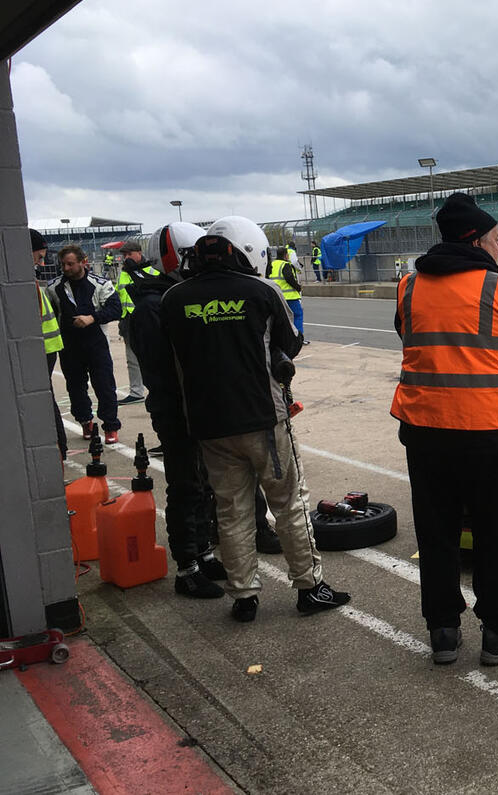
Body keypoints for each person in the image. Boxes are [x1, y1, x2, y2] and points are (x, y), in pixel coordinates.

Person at [161, 216, 350, 622]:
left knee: (231, 511)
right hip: (263, 419)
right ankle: (310, 587)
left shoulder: (174, 298)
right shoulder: (261, 290)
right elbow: (291, 344)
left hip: (208, 426)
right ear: (249, 251)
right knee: (289, 504)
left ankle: (244, 596)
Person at [390, 192, 498, 666]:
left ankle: (443, 631)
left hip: (424, 429)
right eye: (497, 239)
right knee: (497, 534)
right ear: (477, 241)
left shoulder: (409, 287)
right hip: (489, 431)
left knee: (436, 532)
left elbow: (408, 335)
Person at [127, 222, 228, 598]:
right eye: (190, 256)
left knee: (204, 482)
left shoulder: (177, 297)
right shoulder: (152, 306)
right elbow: (162, 368)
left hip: (195, 404)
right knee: (185, 485)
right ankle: (187, 567)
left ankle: (204, 552)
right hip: (175, 408)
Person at [47, 245, 122, 444]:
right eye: (63, 264)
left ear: (83, 262)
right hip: (69, 346)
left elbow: (116, 309)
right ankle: (85, 421)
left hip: (96, 343)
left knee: (104, 385)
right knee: (75, 387)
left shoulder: (100, 283)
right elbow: (50, 314)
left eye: (70, 264)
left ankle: (111, 426)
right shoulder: (53, 287)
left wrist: (93, 318)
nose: (66, 268)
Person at [32, 229, 68, 461]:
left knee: (44, 398)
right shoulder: (29, 280)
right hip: (47, 346)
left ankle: (59, 449)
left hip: (44, 348)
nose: (42, 263)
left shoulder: (27, 283)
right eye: (39, 257)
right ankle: (59, 448)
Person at [116, 240, 159, 404]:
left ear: (139, 253)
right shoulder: (123, 273)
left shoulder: (152, 270)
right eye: (124, 255)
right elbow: (119, 294)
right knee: (132, 358)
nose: (126, 257)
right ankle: (136, 392)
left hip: (147, 318)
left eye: (129, 254)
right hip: (128, 319)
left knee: (155, 354)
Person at [267, 247, 306, 344]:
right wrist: (298, 287)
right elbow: (289, 278)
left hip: (276, 296)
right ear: (285, 255)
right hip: (289, 296)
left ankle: (282, 339)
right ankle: (298, 339)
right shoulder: (285, 264)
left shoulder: (272, 264)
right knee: (297, 315)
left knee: (281, 319)